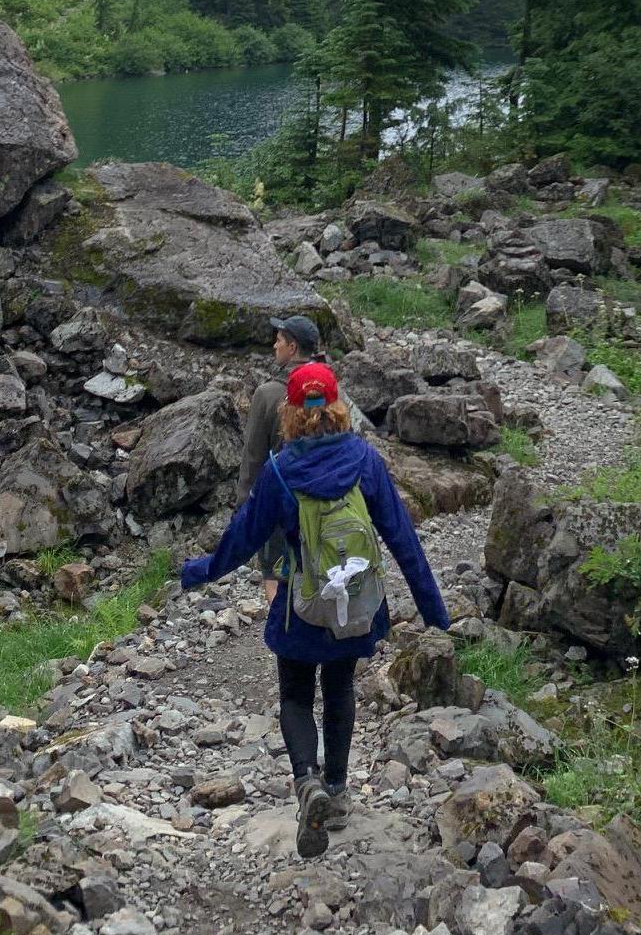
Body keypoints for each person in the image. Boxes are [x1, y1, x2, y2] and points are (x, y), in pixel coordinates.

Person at [180, 359, 450, 858]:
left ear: (291, 413)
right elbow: (402, 539)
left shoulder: (280, 471)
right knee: (340, 687)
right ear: (336, 406)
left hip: (300, 607)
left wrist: (199, 572)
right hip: (353, 608)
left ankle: (307, 783)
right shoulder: (364, 461)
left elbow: (242, 540)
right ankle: (340, 790)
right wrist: (435, 612)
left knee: (296, 695)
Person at [237, 315, 327, 605]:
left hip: (278, 497)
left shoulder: (268, 394)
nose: (274, 345)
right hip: (324, 495)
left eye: (279, 340)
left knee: (273, 572)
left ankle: (283, 631)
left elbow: (253, 455)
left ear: (292, 347)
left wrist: (245, 505)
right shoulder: (329, 387)